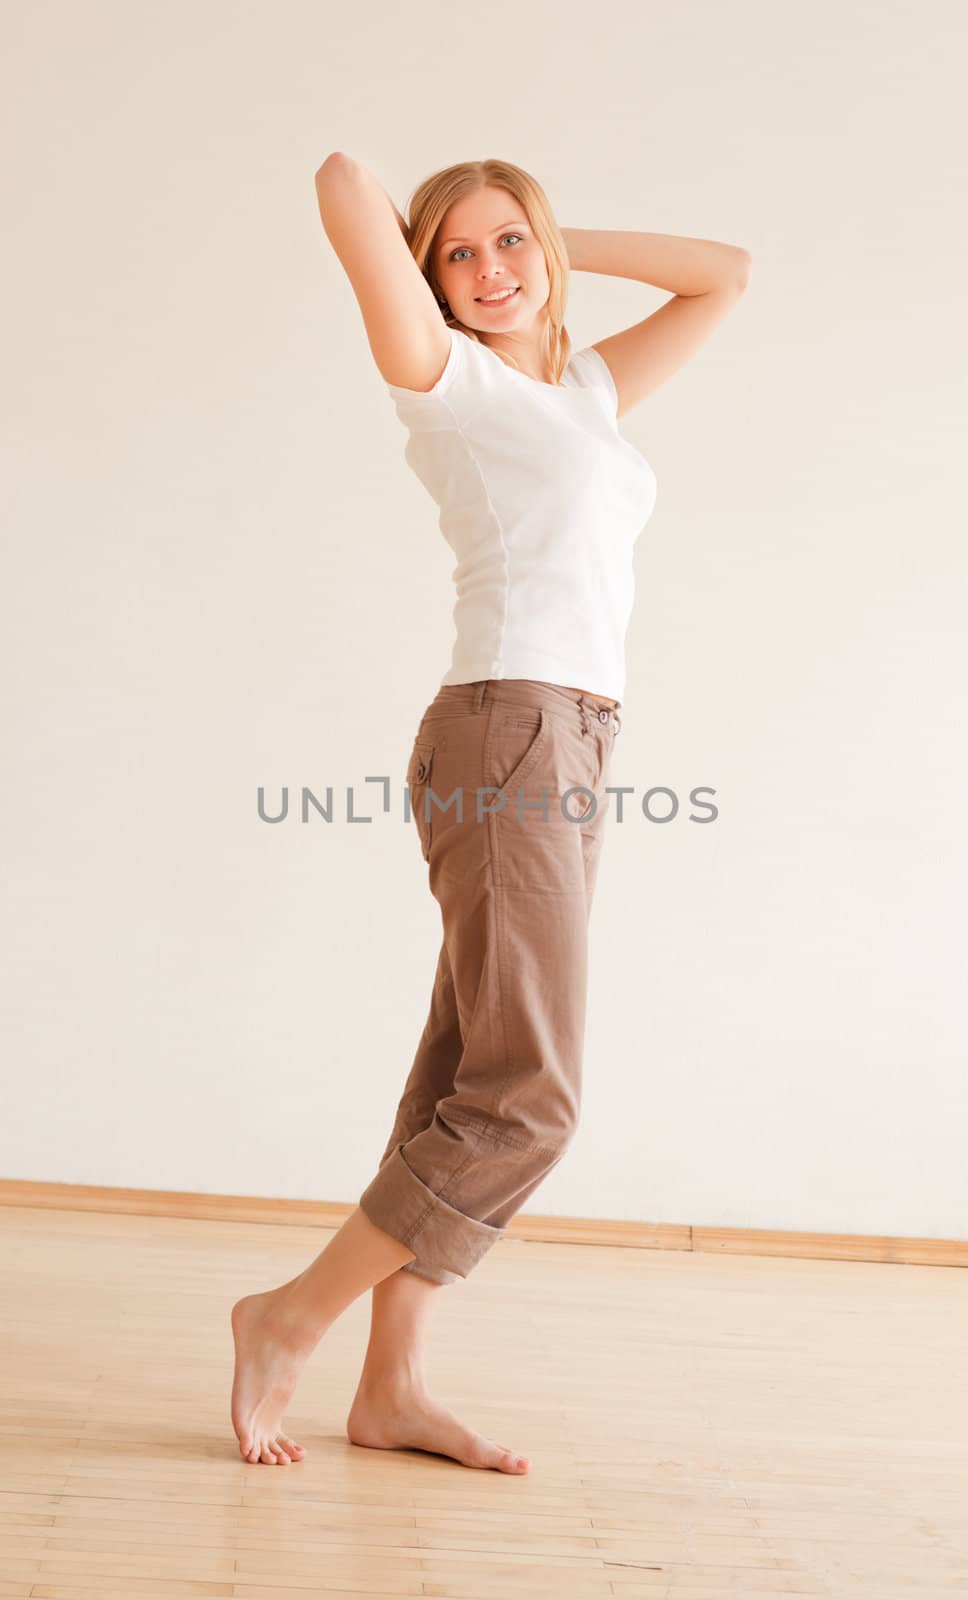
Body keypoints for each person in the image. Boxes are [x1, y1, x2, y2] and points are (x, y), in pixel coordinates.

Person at [229, 152, 751, 1472]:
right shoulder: (445, 382)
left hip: (576, 733)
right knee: (529, 1095)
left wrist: (562, 234)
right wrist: (413, 256)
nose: (493, 270)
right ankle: (287, 1317)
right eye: (460, 255)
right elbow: (343, 181)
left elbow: (724, 276)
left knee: (471, 1071)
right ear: (431, 282)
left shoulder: (580, 388)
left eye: (511, 242)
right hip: (507, 725)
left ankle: (390, 1386)